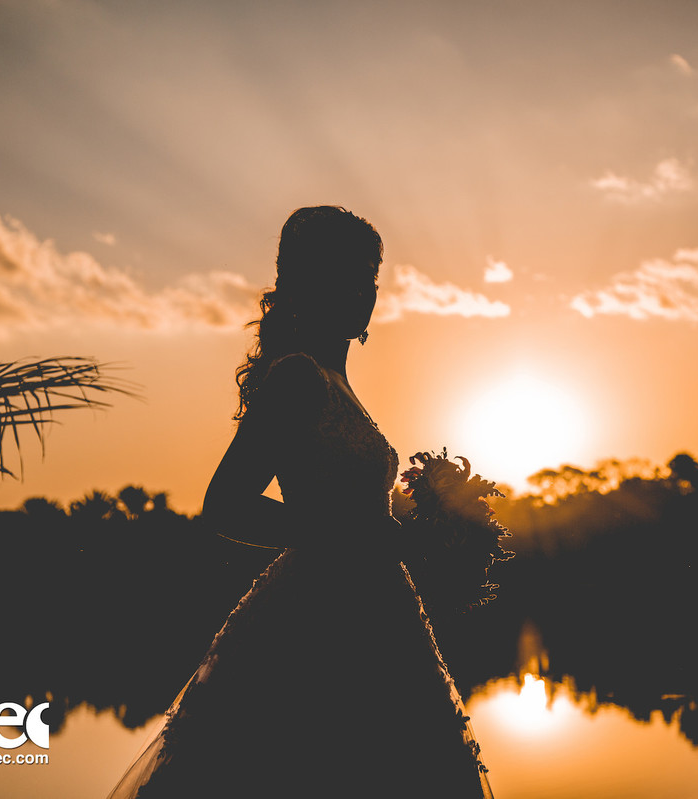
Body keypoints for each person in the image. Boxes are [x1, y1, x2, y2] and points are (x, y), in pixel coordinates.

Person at [107, 206, 493, 798]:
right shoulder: (298, 378)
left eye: (370, 275)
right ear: (306, 284)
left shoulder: (339, 383)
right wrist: (347, 538)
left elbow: (367, 518)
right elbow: (225, 505)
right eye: (346, 273)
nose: (363, 290)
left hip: (381, 617)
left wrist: (435, 529)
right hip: (316, 623)